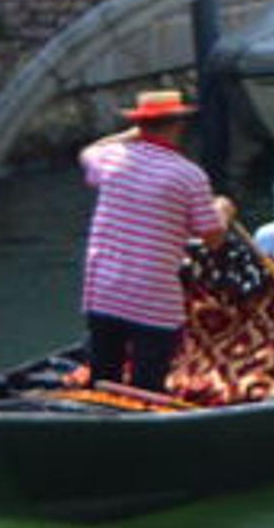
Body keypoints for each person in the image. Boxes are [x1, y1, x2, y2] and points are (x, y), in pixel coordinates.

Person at [79, 85, 223, 395]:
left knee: (103, 382)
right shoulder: (190, 176)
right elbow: (212, 237)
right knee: (146, 389)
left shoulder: (112, 159)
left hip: (103, 293)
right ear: (178, 125)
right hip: (153, 301)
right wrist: (224, 210)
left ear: (139, 125)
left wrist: (129, 136)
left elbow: (87, 152)